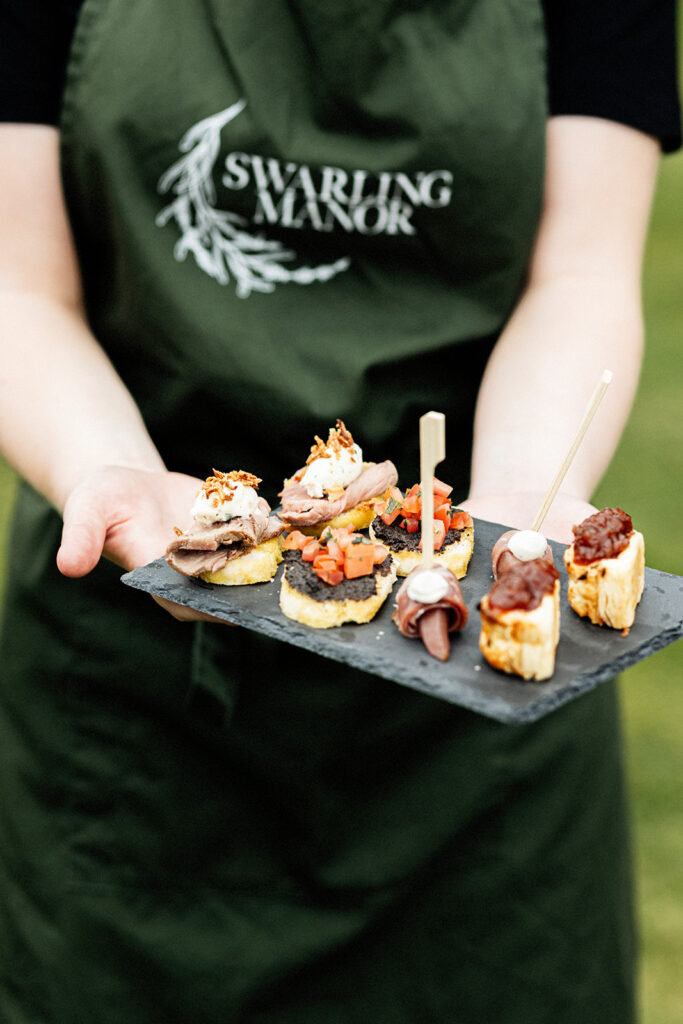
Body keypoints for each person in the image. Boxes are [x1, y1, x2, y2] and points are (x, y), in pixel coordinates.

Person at [0, 1, 680, 1022]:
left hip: (479, 736)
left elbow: (579, 271)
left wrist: (507, 511)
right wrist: (109, 468)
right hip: (136, 721)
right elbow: (17, 286)